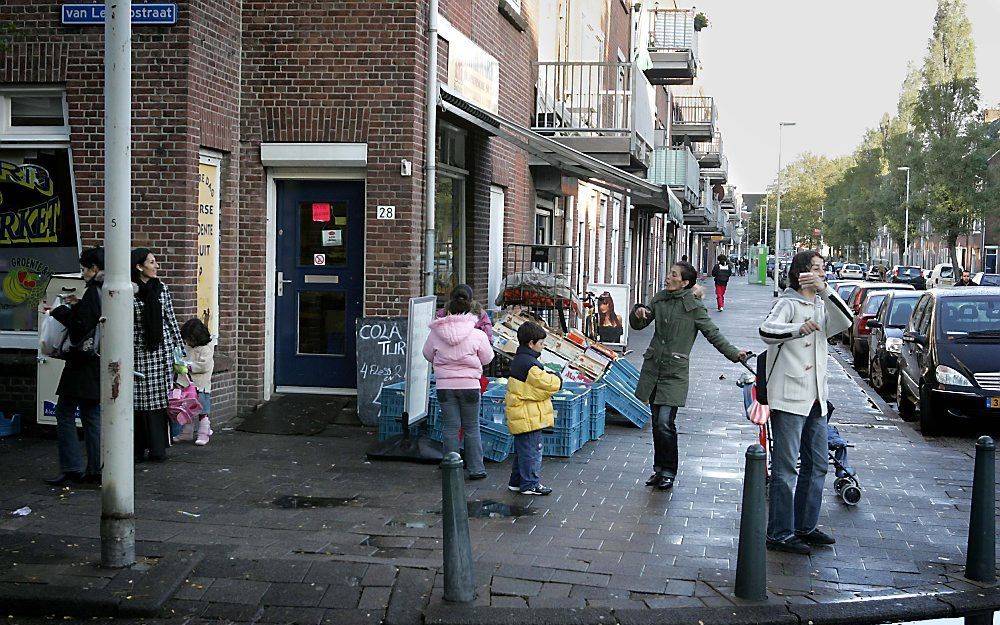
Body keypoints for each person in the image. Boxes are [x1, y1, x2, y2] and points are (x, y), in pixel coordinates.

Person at [758, 250, 853, 555]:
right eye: (815, 269)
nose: (821, 273)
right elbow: (766, 331)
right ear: (800, 273)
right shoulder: (787, 303)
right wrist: (795, 329)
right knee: (786, 469)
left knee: (818, 465)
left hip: (816, 399)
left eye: (823, 269)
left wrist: (825, 290)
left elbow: (845, 320)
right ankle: (780, 533)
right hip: (788, 397)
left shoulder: (821, 305)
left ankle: (805, 526)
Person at [629, 261, 747, 490]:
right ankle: (659, 469)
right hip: (654, 368)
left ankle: (669, 471)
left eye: (673, 274)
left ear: (684, 282)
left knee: (665, 422)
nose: (667, 277)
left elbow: (713, 333)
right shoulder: (660, 299)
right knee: (656, 423)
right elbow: (639, 325)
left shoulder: (694, 307)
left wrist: (735, 354)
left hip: (675, 372)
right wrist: (639, 311)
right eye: (669, 273)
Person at [45, 247, 104, 486]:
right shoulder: (108, 290)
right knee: (91, 415)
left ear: (94, 269)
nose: (82, 274)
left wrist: (59, 310)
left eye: (84, 269)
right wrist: (78, 305)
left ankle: (71, 467)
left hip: (82, 362)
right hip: (96, 361)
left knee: (65, 412)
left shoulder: (94, 291)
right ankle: (96, 469)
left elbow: (80, 327)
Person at [423, 287, 494, 479]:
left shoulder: (435, 333)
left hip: (445, 387)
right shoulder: (477, 334)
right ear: (469, 310)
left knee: (450, 428)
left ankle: (451, 467)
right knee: (472, 427)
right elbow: (487, 358)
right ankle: (476, 469)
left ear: (448, 310)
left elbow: (427, 354)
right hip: (470, 386)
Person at [132, 248, 182, 462]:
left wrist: (179, 354)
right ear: (139, 266)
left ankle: (157, 448)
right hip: (137, 353)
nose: (156, 266)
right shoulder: (128, 290)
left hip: (160, 353)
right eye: (152, 262)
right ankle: (136, 448)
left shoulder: (162, 289)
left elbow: (170, 320)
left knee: (158, 403)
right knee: (137, 403)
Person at [505, 321, 562, 496]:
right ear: (531, 343)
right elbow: (548, 383)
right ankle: (530, 484)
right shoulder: (530, 365)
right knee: (532, 450)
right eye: (541, 344)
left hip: (521, 414)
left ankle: (516, 482)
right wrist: (558, 377)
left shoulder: (520, 359)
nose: (543, 347)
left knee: (523, 450)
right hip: (528, 416)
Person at [173, 318, 215, 446]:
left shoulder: (205, 349)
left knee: (202, 410)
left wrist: (188, 367)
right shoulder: (186, 347)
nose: (187, 341)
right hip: (186, 385)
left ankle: (203, 433)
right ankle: (186, 433)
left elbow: (204, 366)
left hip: (200, 386)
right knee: (186, 410)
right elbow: (181, 358)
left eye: (189, 339)